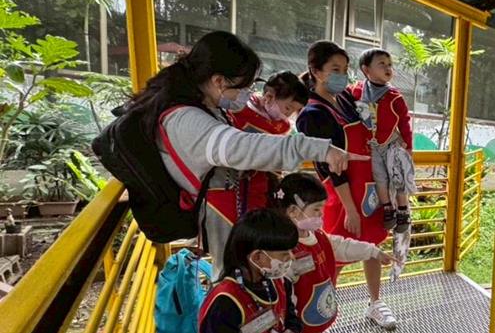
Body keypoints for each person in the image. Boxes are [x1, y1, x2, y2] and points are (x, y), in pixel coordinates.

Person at [124, 31, 361, 276]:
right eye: (242, 87)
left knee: (245, 269)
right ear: (219, 81)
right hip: (220, 210)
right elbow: (243, 146)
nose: (245, 95)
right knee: (234, 274)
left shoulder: (202, 107)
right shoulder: (186, 119)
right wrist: (321, 149)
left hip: (232, 203)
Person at [269, 173, 393, 333]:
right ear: (292, 211)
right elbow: (280, 289)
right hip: (295, 325)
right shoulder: (283, 248)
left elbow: (341, 246)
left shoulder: (317, 235)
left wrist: (372, 251)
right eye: (316, 209)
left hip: (313, 322)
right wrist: (288, 323)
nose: (321, 215)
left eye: (322, 209)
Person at [295, 41, 397, 330]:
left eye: (345, 69)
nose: (342, 75)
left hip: (368, 190)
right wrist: (350, 209)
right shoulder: (312, 114)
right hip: (342, 196)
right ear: (316, 72)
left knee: (372, 245)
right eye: (335, 69)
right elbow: (330, 169)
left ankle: (375, 303)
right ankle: (323, 313)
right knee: (334, 253)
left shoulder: (346, 100)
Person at [205, 72, 312, 243]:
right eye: (287, 108)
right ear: (269, 97)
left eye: (293, 111)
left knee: (255, 236)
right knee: (231, 238)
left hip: (261, 189)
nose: (288, 115)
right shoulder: (238, 109)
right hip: (228, 187)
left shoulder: (282, 126)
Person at [349, 49, 414, 233]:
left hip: (392, 143)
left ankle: (403, 210)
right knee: (379, 177)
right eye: (382, 64)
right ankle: (387, 208)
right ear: (366, 70)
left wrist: (409, 147)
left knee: (398, 176)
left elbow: (405, 122)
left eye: (390, 65)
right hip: (372, 146)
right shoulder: (356, 92)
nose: (388, 68)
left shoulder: (394, 96)